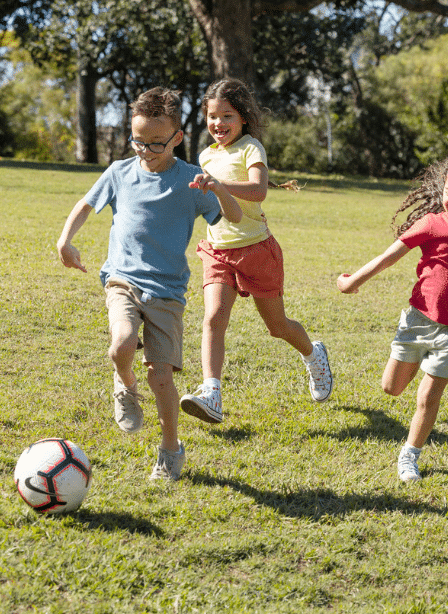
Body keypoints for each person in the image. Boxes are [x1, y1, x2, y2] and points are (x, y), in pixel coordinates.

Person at [56, 87, 242, 481]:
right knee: (121, 343)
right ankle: (124, 384)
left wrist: (220, 189)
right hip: (122, 280)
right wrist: (65, 240)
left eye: (155, 144)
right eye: (137, 141)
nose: (144, 150)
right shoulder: (120, 172)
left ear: (176, 137)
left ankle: (171, 448)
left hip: (167, 293)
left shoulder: (193, 181)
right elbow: (86, 205)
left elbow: (235, 217)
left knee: (161, 378)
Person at [337, 145, 448, 482]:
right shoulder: (430, 223)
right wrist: (353, 281)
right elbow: (389, 256)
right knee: (392, 388)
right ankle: (413, 370)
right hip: (417, 320)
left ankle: (410, 455)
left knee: (428, 396)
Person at [180, 78, 333, 425]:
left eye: (227, 115)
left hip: (256, 250)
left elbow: (259, 190)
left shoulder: (251, 148)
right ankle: (212, 393)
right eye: (212, 116)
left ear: (244, 117)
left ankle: (313, 355)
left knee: (277, 326)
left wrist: (218, 185)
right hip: (218, 249)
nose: (218, 123)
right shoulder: (205, 155)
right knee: (213, 318)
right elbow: (208, 201)